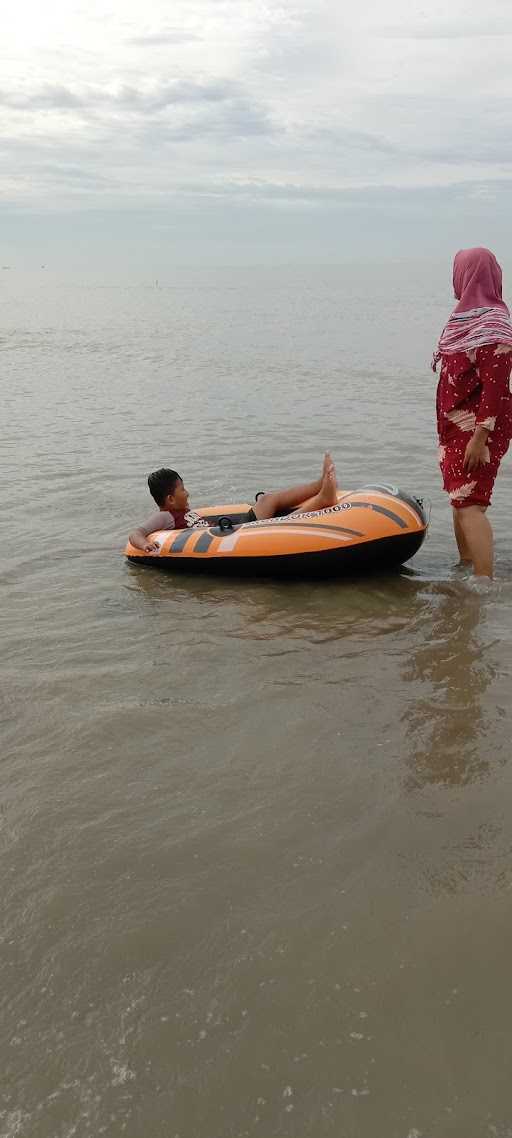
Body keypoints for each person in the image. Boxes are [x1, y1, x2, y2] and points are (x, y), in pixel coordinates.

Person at [433, 247, 512, 578]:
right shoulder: (462, 317)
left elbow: (495, 387)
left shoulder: (494, 321)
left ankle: (483, 584)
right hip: (455, 428)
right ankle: (466, 569)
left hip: (479, 429)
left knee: (471, 505)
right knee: (460, 501)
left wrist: (480, 437)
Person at [129, 455, 338, 553]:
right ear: (170, 500)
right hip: (237, 532)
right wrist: (145, 544)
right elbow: (136, 534)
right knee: (275, 515)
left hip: (232, 526)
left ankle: (320, 486)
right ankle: (321, 496)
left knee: (268, 501)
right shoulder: (165, 516)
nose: (187, 492)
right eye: (182, 489)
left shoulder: (181, 511)